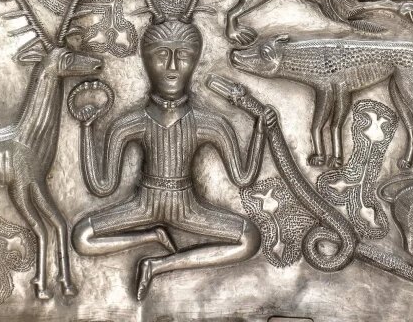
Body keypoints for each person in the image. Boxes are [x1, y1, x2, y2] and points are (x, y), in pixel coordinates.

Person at [72, 19, 277, 300]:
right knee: (81, 237)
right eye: (161, 55)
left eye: (182, 56)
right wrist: (86, 129)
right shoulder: (128, 124)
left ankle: (159, 265)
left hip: (188, 208)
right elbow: (102, 187)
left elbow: (243, 178)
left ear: (195, 62)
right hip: (142, 206)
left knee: (250, 238)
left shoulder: (210, 124)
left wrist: (260, 131)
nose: (171, 67)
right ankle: (151, 235)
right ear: (145, 62)